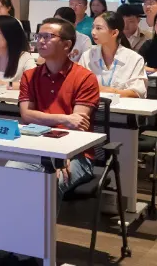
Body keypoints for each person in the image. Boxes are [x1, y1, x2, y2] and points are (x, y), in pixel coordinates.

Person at [16, 18, 100, 202]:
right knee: (11, 175)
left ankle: (44, 223)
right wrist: (63, 118)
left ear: (67, 45)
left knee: (49, 185)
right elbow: (27, 115)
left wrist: (62, 154)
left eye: (48, 36)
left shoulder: (85, 78)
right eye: (39, 36)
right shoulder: (29, 76)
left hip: (75, 154)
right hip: (36, 147)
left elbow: (77, 124)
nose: (41, 41)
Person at [78, 12, 147, 98]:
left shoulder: (134, 59)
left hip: (123, 105)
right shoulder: (87, 56)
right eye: (93, 27)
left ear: (114, 33)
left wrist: (106, 91)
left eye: (99, 28)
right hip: (92, 104)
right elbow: (78, 86)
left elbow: (137, 93)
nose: (93, 32)